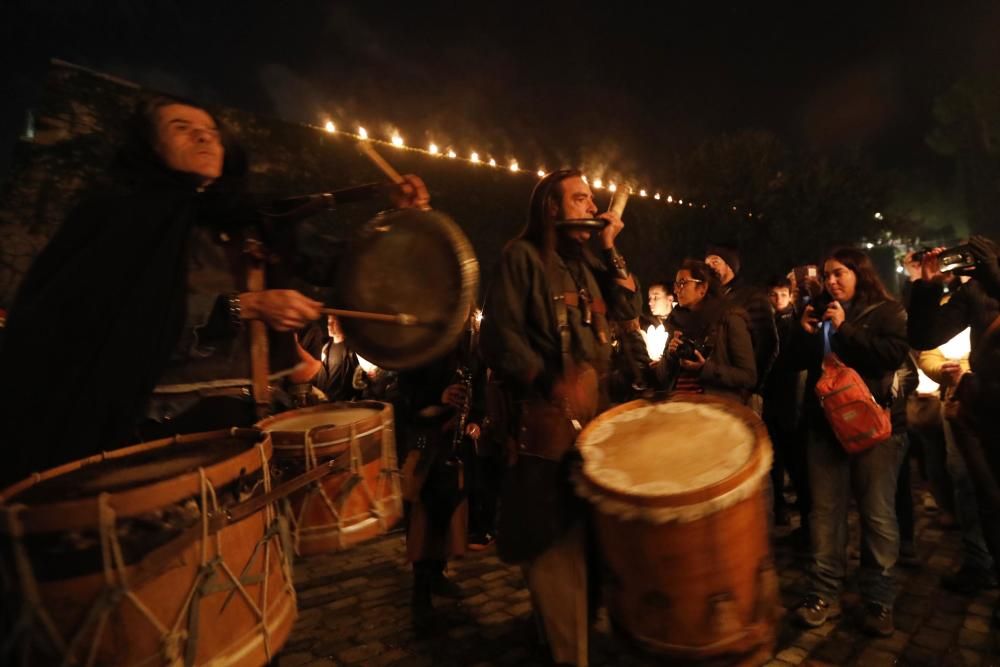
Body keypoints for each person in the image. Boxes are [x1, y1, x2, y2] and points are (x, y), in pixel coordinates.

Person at [0, 95, 427, 485]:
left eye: (210, 130)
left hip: (259, 426)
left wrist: (401, 222)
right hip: (164, 433)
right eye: (181, 127)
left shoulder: (251, 221)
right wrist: (244, 307)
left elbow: (351, 268)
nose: (203, 135)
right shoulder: (119, 218)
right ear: (148, 147)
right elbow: (108, 324)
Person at [480, 169, 638, 667]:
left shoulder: (589, 264)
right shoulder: (520, 258)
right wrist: (549, 383)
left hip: (595, 426)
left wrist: (610, 245)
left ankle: (563, 637)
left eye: (594, 199)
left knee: (594, 546)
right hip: (545, 431)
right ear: (551, 207)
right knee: (555, 548)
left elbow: (628, 305)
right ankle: (567, 651)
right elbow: (499, 339)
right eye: (581, 198)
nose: (592, 207)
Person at [790, 247, 908, 638]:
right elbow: (797, 364)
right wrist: (804, 333)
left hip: (873, 428)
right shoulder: (820, 312)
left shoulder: (886, 311)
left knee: (877, 513)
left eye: (839, 273)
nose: (831, 282)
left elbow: (889, 356)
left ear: (859, 273)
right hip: (825, 428)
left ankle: (879, 596)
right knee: (824, 514)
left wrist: (845, 329)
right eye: (826, 276)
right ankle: (824, 590)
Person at [658, 259, 756, 401]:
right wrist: (671, 355)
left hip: (714, 408)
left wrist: (704, 368)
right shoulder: (676, 322)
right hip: (678, 405)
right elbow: (661, 377)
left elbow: (748, 377)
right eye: (676, 284)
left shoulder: (729, 319)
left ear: (702, 288)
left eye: (683, 283)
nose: (676, 289)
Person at [763, 275, 810, 531]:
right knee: (775, 458)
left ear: (790, 295)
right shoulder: (764, 323)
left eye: (783, 294)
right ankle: (779, 505)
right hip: (772, 396)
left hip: (796, 397)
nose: (778, 299)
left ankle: (804, 514)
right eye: (773, 294)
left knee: (797, 459)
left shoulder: (799, 321)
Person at [705, 244, 779, 403]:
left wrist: (752, 386)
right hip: (716, 386)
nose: (709, 267)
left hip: (743, 390)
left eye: (715, 261)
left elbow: (767, 344)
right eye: (707, 263)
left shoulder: (752, 297)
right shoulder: (710, 300)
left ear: (730, 265)